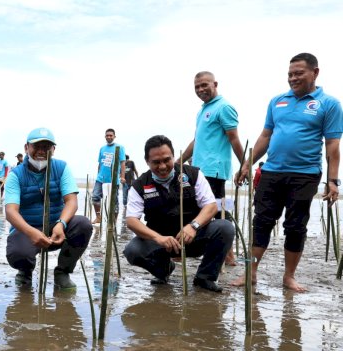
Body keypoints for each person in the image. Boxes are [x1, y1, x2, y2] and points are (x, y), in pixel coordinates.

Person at [233, 53, 343, 292]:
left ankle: (289, 276)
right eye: (290, 74)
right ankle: (250, 272)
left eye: (299, 73)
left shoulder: (329, 104)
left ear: (315, 72)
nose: (293, 78)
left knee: (295, 226)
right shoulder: (277, 101)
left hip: (305, 174)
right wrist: (246, 164)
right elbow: (265, 136)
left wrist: (333, 181)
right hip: (272, 172)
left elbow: (333, 146)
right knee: (261, 222)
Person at [123, 135, 233, 292]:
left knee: (225, 227)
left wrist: (193, 226)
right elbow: (132, 220)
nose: (162, 166)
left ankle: (205, 277)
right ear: (147, 161)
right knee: (132, 251)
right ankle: (164, 270)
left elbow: (211, 205)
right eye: (156, 162)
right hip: (162, 243)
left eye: (166, 160)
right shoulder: (140, 185)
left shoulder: (193, 175)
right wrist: (158, 238)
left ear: (173, 157)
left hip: (194, 238)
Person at [5, 127, 92, 289]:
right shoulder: (15, 174)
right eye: (36, 146)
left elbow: (72, 201)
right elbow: (10, 211)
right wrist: (31, 232)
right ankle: (25, 271)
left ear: (53, 149)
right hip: (27, 229)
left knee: (83, 224)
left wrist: (61, 224)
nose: (41, 151)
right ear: (26, 148)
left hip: (56, 227)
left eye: (46, 147)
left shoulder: (61, 168)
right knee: (18, 253)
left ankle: (62, 272)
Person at [179, 71, 244, 266]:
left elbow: (234, 138)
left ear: (215, 84)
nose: (200, 90)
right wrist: (178, 161)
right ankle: (227, 253)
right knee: (216, 208)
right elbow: (197, 140)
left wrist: (245, 165)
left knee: (217, 209)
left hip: (214, 170)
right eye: (197, 87)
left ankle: (228, 254)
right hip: (199, 170)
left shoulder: (224, 107)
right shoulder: (202, 110)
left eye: (204, 85)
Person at [92, 128, 126, 224]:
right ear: (105, 136)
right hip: (101, 178)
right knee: (95, 197)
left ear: (114, 136)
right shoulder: (102, 148)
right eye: (107, 135)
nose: (109, 137)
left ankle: (113, 221)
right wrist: (98, 174)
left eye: (111, 135)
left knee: (114, 201)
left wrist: (122, 176)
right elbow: (100, 163)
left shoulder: (120, 147)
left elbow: (123, 163)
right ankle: (98, 217)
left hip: (113, 178)